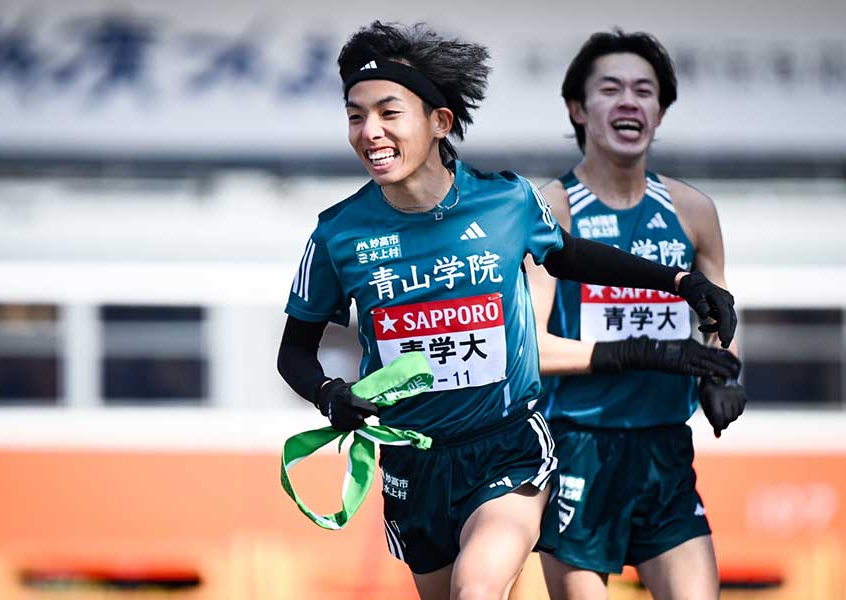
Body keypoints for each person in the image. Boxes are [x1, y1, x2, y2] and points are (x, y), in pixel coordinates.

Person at [277, 21, 738, 600]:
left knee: (477, 591)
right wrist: (329, 394)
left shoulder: (506, 201)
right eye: (355, 116)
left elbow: (571, 257)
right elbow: (293, 351)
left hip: (509, 446)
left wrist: (680, 281)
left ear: (439, 122)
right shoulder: (337, 234)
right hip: (412, 463)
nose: (370, 132)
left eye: (389, 113)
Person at [522, 29, 748, 600]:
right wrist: (641, 353)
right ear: (578, 108)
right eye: (611, 88)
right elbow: (531, 349)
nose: (630, 101)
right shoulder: (551, 210)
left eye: (645, 91)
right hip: (577, 447)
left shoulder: (694, 211)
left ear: (660, 112)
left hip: (665, 451)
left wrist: (723, 374)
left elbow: (720, 318)